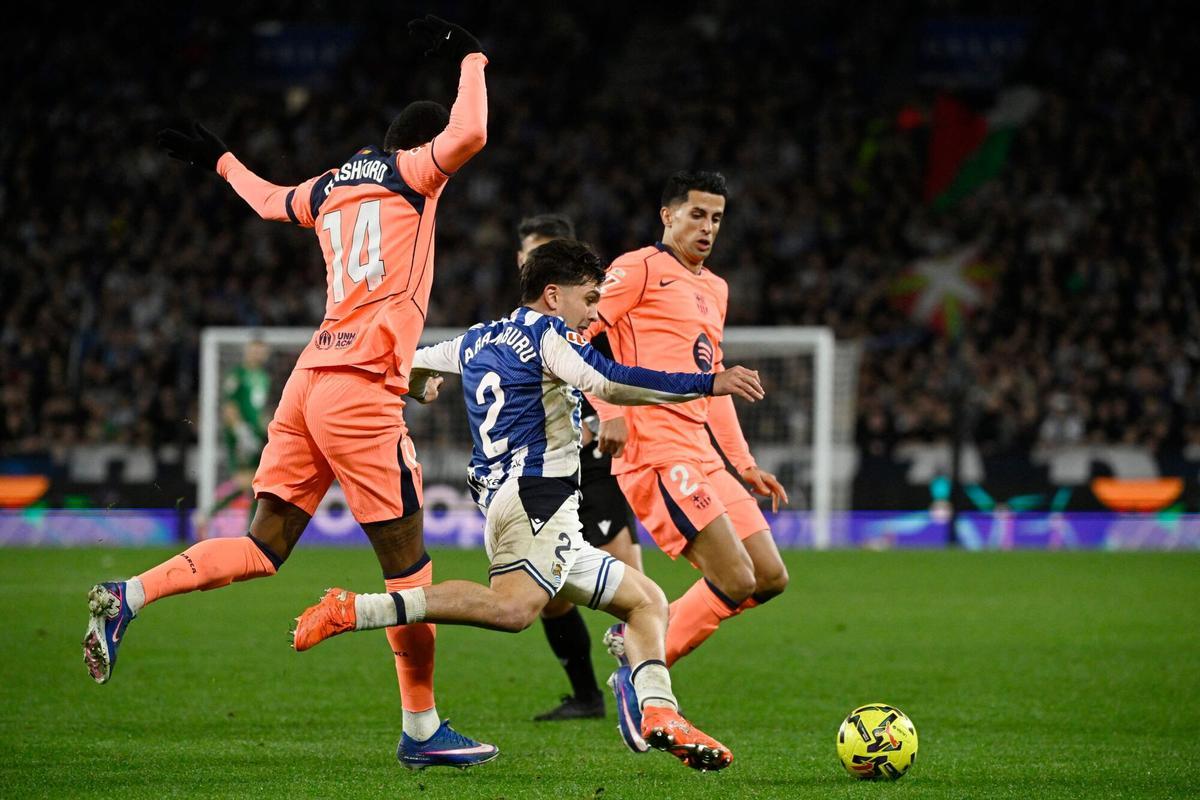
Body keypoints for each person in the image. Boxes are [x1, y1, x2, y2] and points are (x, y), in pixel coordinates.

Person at [82, 15, 497, 770]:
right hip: (362, 390)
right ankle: (422, 729)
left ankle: (130, 593)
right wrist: (473, 55)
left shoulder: (334, 185)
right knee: (410, 578)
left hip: (307, 380)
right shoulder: (414, 175)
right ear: (418, 151)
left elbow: (270, 200)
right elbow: (470, 131)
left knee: (263, 544)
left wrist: (218, 157)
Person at [292, 239, 766, 769]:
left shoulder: (478, 338)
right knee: (514, 609)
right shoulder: (550, 336)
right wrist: (708, 382)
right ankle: (354, 609)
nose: (593, 313)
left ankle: (659, 710)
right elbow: (607, 380)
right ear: (553, 295)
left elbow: (412, 361)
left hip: (510, 504)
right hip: (537, 497)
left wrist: (418, 386)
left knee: (646, 600)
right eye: (589, 300)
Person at [586, 171, 791, 745]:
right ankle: (642, 672)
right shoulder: (638, 268)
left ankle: (637, 648)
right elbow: (576, 334)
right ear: (667, 215)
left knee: (770, 577)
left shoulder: (715, 288)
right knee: (734, 576)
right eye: (697, 215)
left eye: (717, 219)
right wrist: (607, 411)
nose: (707, 228)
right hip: (654, 450)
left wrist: (743, 463)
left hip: (702, 452)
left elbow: (711, 381)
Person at [516, 214, 643, 722]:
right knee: (549, 595)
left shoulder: (593, 313)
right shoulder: (522, 324)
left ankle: (647, 691)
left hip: (595, 463)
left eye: (542, 250)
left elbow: (616, 372)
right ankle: (588, 696)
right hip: (549, 467)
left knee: (631, 587)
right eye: (526, 253)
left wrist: (608, 417)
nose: (532, 260)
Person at [210, 338, 271, 524]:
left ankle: (250, 529)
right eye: (254, 350)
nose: (257, 354)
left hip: (257, 435)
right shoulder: (236, 375)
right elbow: (229, 406)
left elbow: (258, 409)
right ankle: (208, 515)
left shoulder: (264, 377)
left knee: (259, 484)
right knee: (247, 482)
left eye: (261, 351)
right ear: (247, 351)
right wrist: (240, 431)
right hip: (241, 436)